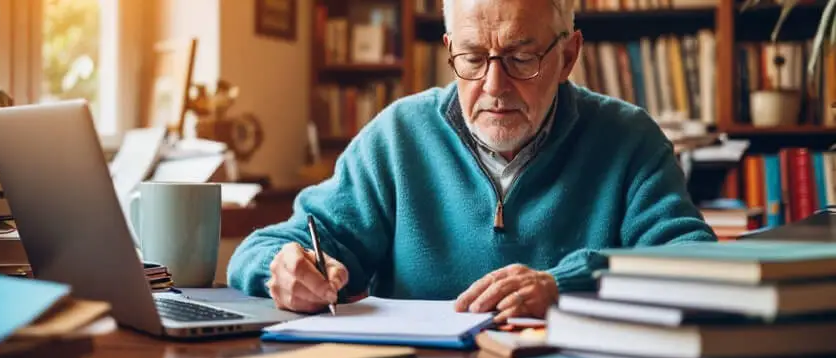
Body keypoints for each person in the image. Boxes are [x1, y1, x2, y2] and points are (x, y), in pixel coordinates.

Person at [227, 0, 716, 321]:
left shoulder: (628, 139)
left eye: (522, 58)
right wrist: (286, 267)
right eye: (473, 58)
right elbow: (271, 246)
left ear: (568, 55)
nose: (494, 87)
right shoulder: (398, 137)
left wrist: (566, 285)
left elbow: (697, 263)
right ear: (449, 49)